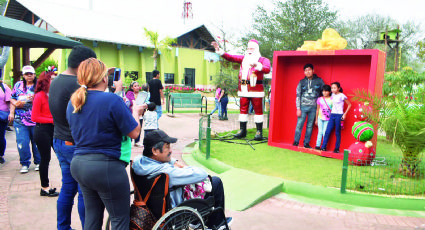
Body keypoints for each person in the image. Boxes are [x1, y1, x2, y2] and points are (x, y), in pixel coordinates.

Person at [68, 58, 145, 230]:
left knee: (93, 217)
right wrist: (135, 112)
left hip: (80, 165)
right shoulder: (111, 100)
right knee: (119, 219)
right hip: (106, 167)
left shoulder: (74, 102)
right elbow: (134, 132)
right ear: (104, 79)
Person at [132, 129, 232, 229]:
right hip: (175, 210)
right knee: (215, 181)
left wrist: (172, 161)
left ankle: (200, 221)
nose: (171, 150)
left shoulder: (138, 163)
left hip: (151, 208)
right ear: (154, 151)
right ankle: (218, 224)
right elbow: (202, 174)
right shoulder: (167, 172)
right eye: (167, 147)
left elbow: (155, 160)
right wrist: (184, 167)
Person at [49, 45, 97, 230]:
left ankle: (63, 227)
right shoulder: (77, 86)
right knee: (85, 191)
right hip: (75, 145)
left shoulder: (57, 80)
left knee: (68, 187)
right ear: (83, 65)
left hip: (60, 140)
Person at [213, 40, 271, 140]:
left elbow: (267, 69)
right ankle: (242, 130)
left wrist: (258, 66)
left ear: (256, 49)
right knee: (243, 109)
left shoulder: (263, 60)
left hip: (256, 89)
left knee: (258, 110)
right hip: (243, 89)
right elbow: (231, 57)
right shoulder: (243, 58)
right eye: (248, 48)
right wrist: (219, 51)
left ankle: (259, 131)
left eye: (251, 48)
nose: (249, 50)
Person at [31, 70, 59, 197]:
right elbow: (34, 117)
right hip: (42, 130)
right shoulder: (39, 96)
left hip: (54, 129)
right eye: (51, 79)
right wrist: (52, 120)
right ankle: (45, 187)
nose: (54, 81)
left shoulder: (54, 95)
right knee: (45, 159)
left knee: (61, 155)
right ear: (45, 81)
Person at [10, 65, 40, 173]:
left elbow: (45, 99)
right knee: (22, 142)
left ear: (34, 75)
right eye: (27, 74)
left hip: (36, 119)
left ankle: (38, 162)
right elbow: (12, 98)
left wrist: (35, 99)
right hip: (20, 119)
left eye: (31, 74)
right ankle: (24, 163)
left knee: (37, 142)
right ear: (23, 75)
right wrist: (14, 106)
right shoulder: (18, 85)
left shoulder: (38, 86)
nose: (29, 76)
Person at [293, 64, 325, 148]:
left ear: (313, 70)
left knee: (310, 126)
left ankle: (306, 143)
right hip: (303, 107)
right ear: (304, 72)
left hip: (314, 108)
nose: (308, 72)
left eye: (309, 70)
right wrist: (298, 108)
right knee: (299, 125)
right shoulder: (301, 82)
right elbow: (298, 95)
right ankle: (296, 142)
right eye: (306, 70)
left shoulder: (319, 81)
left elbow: (325, 93)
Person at [321, 82, 352, 153]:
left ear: (339, 88)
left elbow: (349, 105)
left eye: (334, 88)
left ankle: (337, 148)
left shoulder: (342, 96)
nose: (333, 89)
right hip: (332, 115)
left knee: (337, 132)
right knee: (327, 131)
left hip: (339, 115)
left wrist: (345, 114)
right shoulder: (332, 95)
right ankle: (323, 147)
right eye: (332, 88)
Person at [314, 85, 332, 150]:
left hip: (328, 119)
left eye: (326, 91)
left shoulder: (332, 99)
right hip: (320, 118)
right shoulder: (319, 99)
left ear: (329, 92)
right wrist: (316, 119)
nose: (324, 92)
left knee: (325, 132)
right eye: (323, 91)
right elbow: (317, 110)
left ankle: (324, 146)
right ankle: (317, 145)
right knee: (320, 132)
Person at [0, 79, 12, 164]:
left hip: (2, 115)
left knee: (0, 136)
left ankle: (0, 155)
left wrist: (11, 113)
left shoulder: (4, 87)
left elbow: (9, 102)